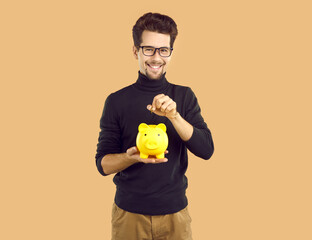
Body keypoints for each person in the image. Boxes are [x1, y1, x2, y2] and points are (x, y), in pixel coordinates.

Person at [95, 12, 214, 240]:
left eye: (163, 50)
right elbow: (103, 165)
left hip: (175, 215)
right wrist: (132, 157)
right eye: (148, 49)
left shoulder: (184, 96)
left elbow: (207, 150)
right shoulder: (116, 100)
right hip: (128, 215)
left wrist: (174, 116)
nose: (156, 58)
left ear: (171, 52)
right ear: (135, 51)